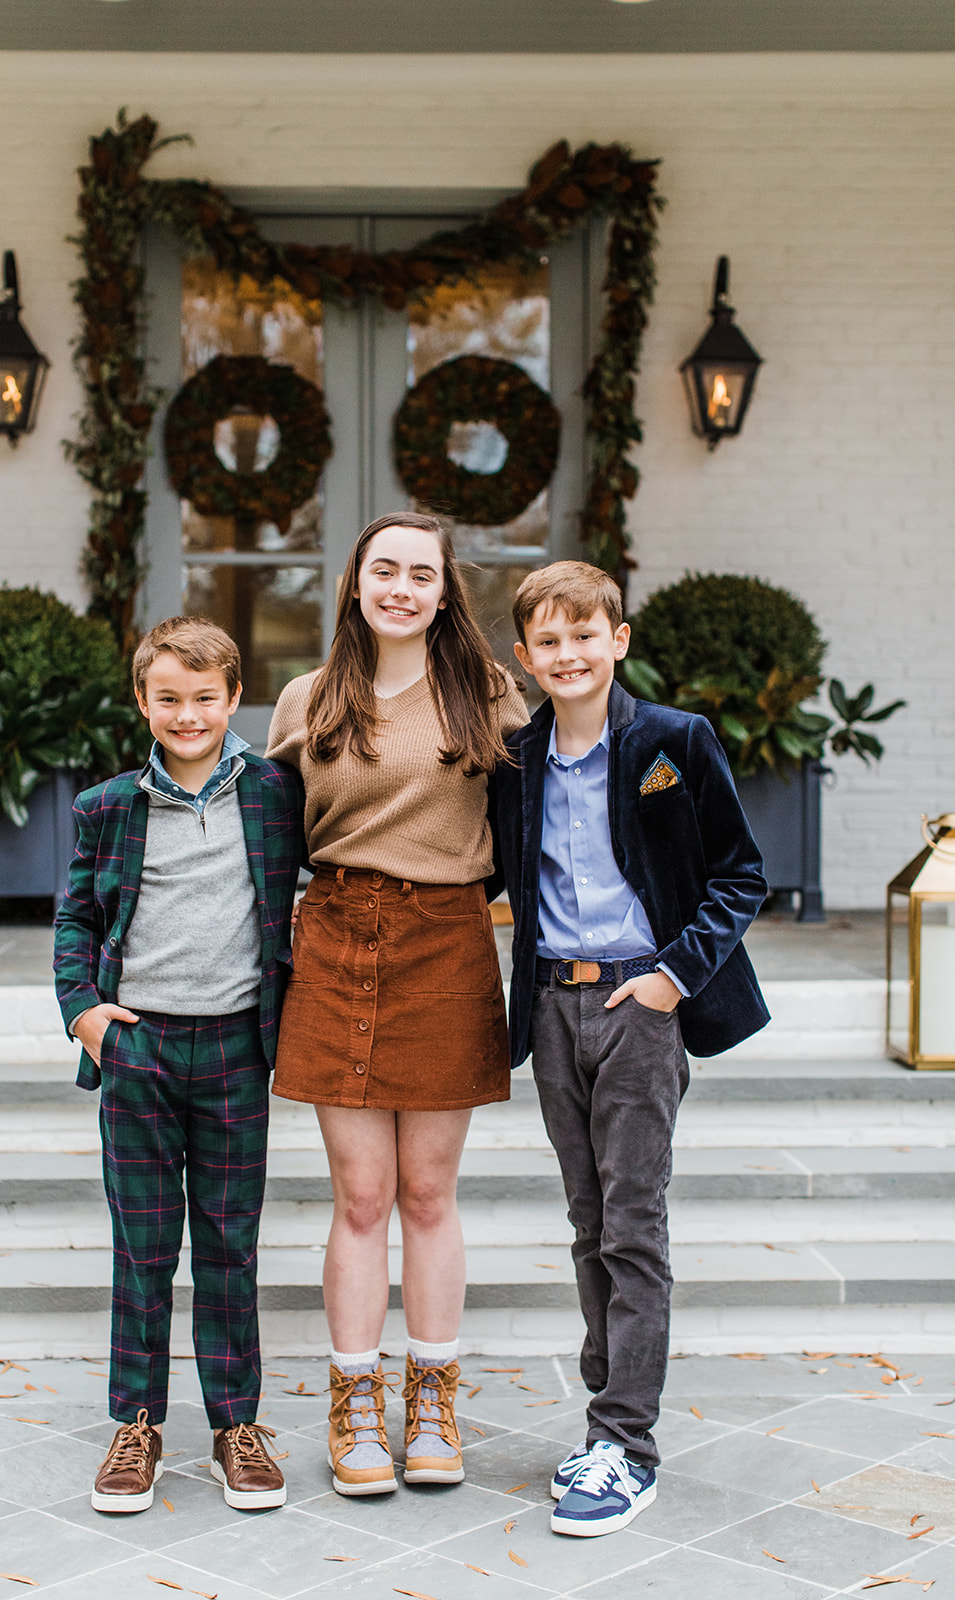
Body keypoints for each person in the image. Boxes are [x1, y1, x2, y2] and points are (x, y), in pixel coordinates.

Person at [490, 560, 769, 1537]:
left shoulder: (670, 741)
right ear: (522, 658)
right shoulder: (517, 761)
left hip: (637, 1002)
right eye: (547, 641)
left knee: (632, 1225)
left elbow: (740, 872)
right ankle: (604, 1425)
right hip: (553, 1008)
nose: (566, 654)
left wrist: (669, 976)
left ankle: (626, 1445)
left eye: (583, 634)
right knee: (584, 1218)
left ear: (617, 639)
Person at [266, 511, 528, 1496]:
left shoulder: (484, 693)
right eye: (385, 569)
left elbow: (545, 806)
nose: (402, 587)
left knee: (426, 1193)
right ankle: (353, 1405)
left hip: (448, 941)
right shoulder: (306, 698)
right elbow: (264, 837)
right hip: (334, 938)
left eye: (422, 573)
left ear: (443, 591)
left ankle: (431, 1403)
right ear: (355, 582)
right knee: (360, 1196)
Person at [53, 616, 305, 1516]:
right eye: (170, 698)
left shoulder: (277, 795)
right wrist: (83, 1011)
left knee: (230, 1247)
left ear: (235, 698)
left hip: (238, 1047)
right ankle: (138, 1425)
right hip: (140, 1049)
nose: (188, 714)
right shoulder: (108, 806)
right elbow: (76, 918)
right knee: (145, 1249)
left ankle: (237, 1426)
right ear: (143, 703)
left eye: (206, 698)